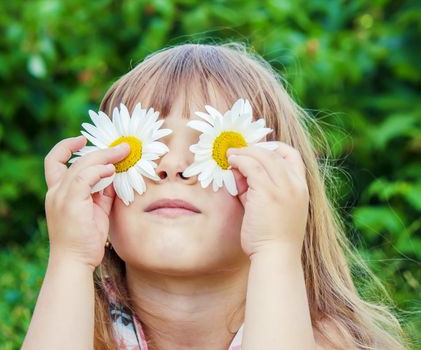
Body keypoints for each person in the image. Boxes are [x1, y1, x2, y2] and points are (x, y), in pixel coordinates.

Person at [22, 43, 408, 350]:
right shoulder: (78, 332)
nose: (172, 167)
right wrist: (70, 256)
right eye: (143, 147)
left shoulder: (320, 341)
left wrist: (275, 247)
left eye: (210, 148)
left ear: (281, 196)